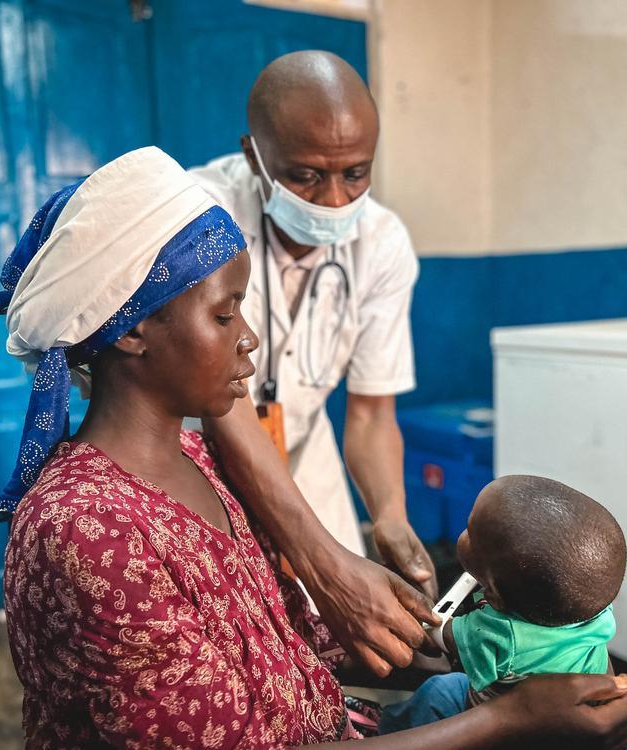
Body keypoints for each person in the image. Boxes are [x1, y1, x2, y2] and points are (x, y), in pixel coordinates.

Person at [0, 147, 627, 748]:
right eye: (224, 315)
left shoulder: (198, 463)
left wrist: (468, 661)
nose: (249, 340)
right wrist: (509, 719)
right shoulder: (88, 532)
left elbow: (284, 644)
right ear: (134, 329)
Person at [191, 50, 437, 601]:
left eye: (355, 174)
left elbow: (372, 411)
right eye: (305, 177)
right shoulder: (200, 217)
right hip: (194, 455)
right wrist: (317, 558)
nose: (334, 200)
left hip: (302, 450)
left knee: (336, 637)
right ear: (253, 158)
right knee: (238, 641)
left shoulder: (381, 243)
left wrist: (391, 520)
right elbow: (224, 405)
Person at [379, 476, 627, 734]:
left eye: (471, 533)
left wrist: (423, 622)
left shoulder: (499, 637)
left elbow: (437, 635)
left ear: (495, 596)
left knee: (441, 691)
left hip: (495, 730)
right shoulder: (590, 608)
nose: (464, 534)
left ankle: (385, 730)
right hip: (566, 728)